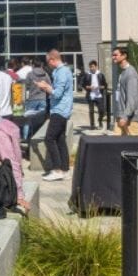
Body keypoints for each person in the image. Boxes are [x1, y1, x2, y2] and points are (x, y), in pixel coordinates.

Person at [34, 50, 74, 181]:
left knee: (49, 138)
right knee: (60, 140)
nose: (48, 65)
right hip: (60, 110)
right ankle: (65, 169)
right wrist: (46, 85)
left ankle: (57, 169)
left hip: (60, 110)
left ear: (52, 59)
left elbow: (57, 93)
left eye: (48, 62)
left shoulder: (62, 72)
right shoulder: (61, 71)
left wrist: (45, 87)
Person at [112, 47, 138, 136]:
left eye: (115, 55)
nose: (113, 57)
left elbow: (132, 98)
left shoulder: (130, 74)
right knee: (116, 146)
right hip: (121, 116)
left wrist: (125, 117)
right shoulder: (123, 73)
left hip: (129, 119)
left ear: (124, 56)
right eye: (113, 55)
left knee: (136, 148)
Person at [21, 59, 49, 140]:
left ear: (33, 65)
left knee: (28, 119)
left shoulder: (30, 74)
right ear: (41, 65)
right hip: (42, 98)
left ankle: (26, 138)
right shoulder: (45, 74)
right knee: (41, 119)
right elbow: (49, 85)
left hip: (32, 99)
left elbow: (26, 86)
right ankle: (40, 137)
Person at [80, 60, 107, 129]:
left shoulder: (100, 74)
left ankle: (100, 121)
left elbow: (105, 85)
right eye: (90, 67)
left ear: (96, 66)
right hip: (91, 95)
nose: (92, 68)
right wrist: (88, 87)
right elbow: (82, 84)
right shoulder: (87, 75)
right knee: (91, 111)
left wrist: (100, 87)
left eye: (93, 67)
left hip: (99, 95)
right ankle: (92, 124)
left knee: (101, 110)